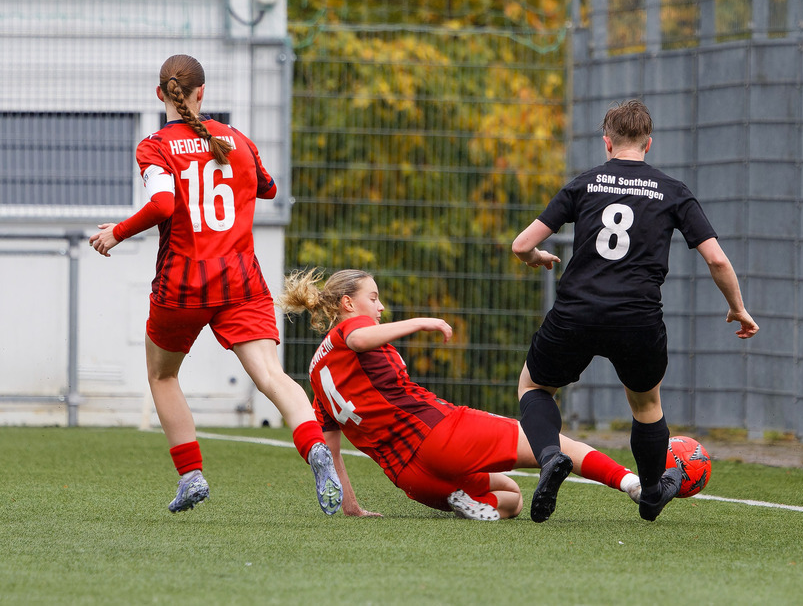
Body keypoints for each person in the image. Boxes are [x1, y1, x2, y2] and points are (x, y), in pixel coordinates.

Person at [88, 54, 343, 516]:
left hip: (182, 285)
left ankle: (191, 476)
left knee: (163, 375)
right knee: (271, 376)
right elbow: (266, 188)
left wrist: (117, 231)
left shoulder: (155, 145)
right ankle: (315, 450)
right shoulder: (237, 140)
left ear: (160, 94)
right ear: (202, 93)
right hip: (240, 282)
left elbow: (163, 204)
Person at [512, 98, 759, 523]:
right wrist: (737, 308)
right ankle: (649, 494)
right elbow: (717, 260)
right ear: (649, 144)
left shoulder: (584, 184)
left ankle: (551, 456)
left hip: (577, 311)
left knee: (535, 389)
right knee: (646, 407)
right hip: (637, 318)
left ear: (607, 143)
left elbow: (520, 244)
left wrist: (536, 257)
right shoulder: (673, 191)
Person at [278, 268, 645, 520]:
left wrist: (351, 507)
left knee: (512, 498)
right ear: (347, 304)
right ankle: (635, 486)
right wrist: (423, 321)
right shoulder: (352, 331)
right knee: (554, 442)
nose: (380, 307)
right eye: (373, 298)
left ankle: (470, 501)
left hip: (410, 477)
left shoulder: (317, 369)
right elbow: (358, 337)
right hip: (441, 435)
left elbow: (331, 450)